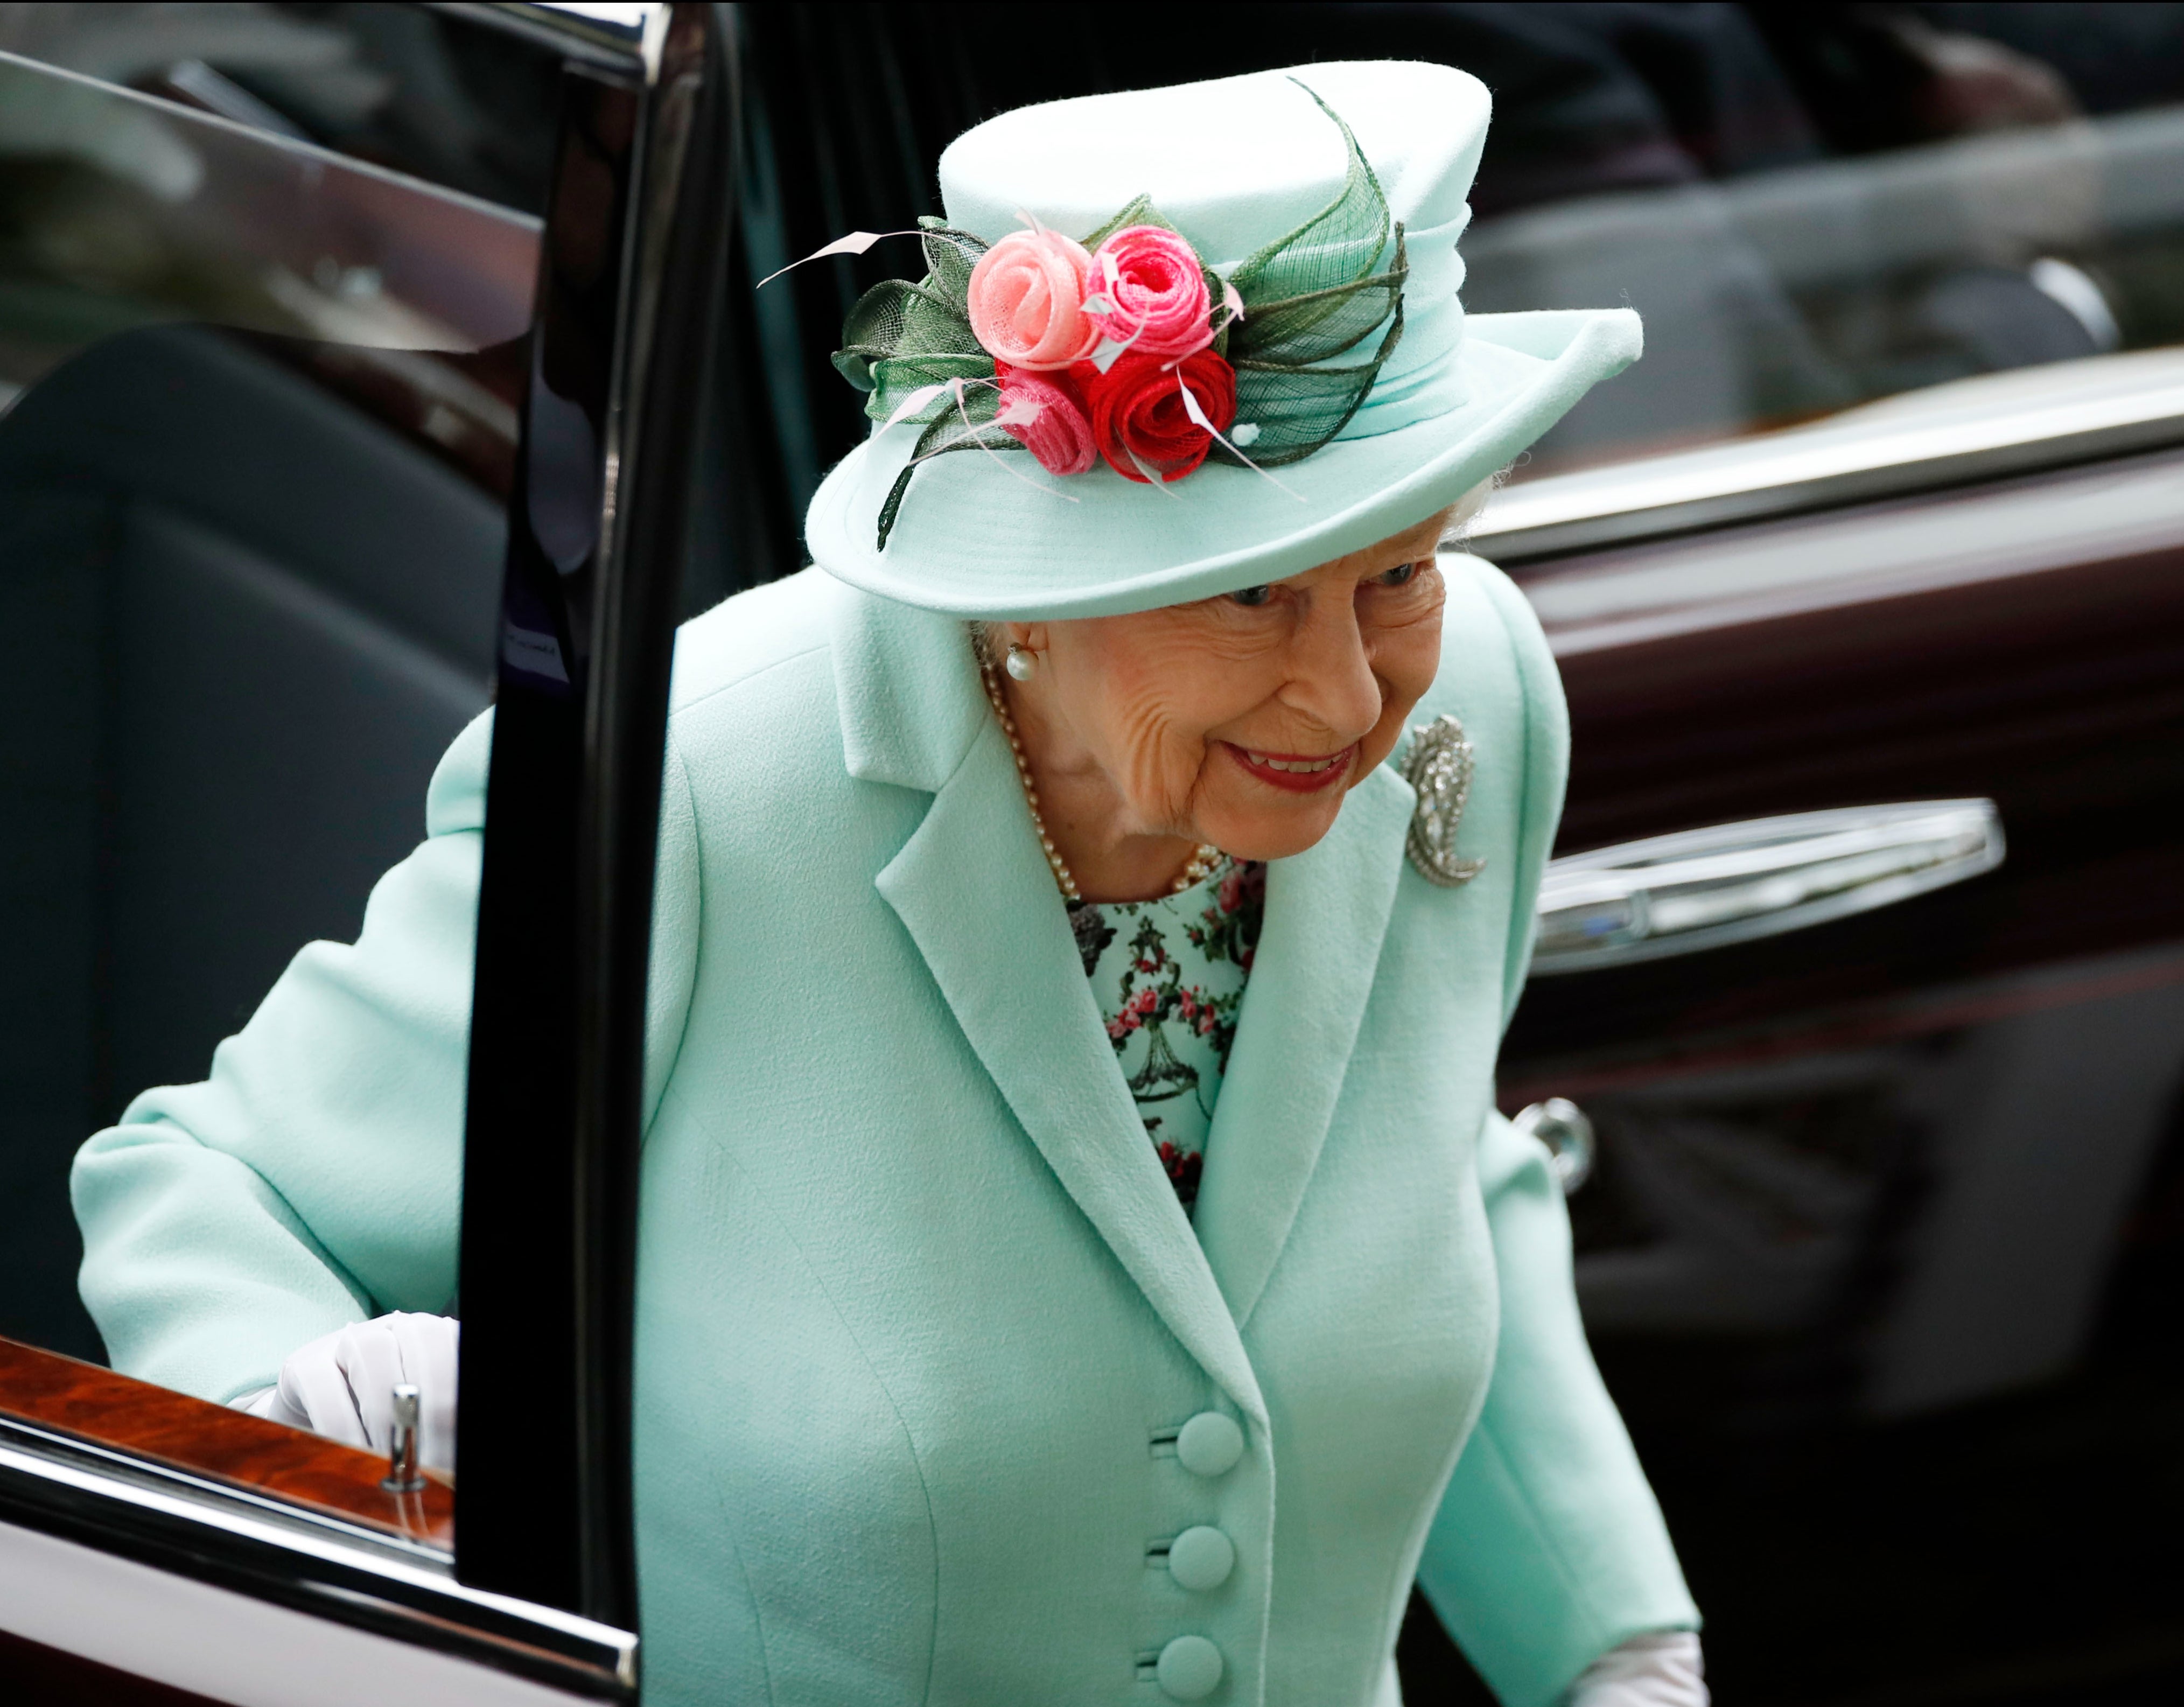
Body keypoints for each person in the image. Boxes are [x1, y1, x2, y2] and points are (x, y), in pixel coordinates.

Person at [73, 62, 1704, 1706]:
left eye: (1402, 567)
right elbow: (209, 1188)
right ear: (1034, 586)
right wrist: (330, 1452)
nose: (1351, 699)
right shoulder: (687, 788)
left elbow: (1427, 1166)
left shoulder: (1478, 693)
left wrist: (1621, 1644)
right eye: (1258, 596)